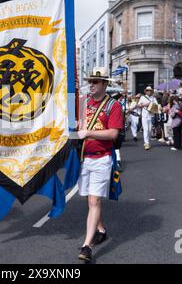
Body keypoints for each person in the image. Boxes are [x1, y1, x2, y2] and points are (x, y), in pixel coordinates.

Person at [77, 67, 124, 262]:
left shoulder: (113, 106)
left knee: (94, 201)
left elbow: (113, 134)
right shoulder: (83, 102)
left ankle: (86, 246)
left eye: (96, 82)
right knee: (90, 200)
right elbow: (79, 125)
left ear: (105, 84)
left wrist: (88, 133)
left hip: (102, 158)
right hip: (83, 158)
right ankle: (101, 229)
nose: (91, 84)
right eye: (90, 81)